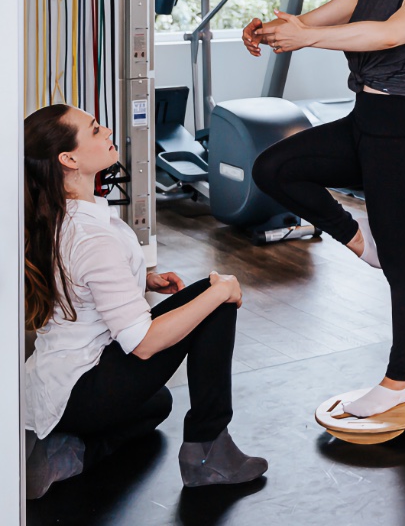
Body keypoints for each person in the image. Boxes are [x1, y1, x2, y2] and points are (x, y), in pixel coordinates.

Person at [244, 0, 405, 418]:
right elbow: (306, 23)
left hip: (401, 138)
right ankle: (362, 240)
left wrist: (306, 38)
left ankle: (397, 382)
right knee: (274, 168)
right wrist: (269, 30)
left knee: (404, 268)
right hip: (361, 125)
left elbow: (386, 36)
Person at [23, 105, 266, 499]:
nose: (106, 133)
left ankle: (67, 453)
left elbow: (77, 282)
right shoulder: (91, 237)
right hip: (82, 388)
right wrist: (221, 292)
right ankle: (209, 454)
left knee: (158, 404)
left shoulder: (59, 215)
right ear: (68, 159)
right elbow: (143, 342)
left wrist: (144, 280)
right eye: (95, 129)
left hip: (56, 388)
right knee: (215, 295)